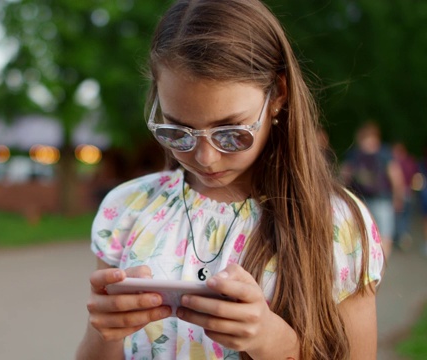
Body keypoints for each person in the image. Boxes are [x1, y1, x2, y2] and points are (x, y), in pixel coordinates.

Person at [75, 1, 384, 359]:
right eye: (178, 131)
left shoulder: (337, 223)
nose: (205, 158)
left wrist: (275, 342)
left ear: (278, 95)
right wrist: (107, 333)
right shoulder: (127, 209)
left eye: (231, 133)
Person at [341, 122, 404, 258]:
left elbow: (344, 175)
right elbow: (395, 176)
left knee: (360, 235)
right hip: (383, 200)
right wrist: (398, 197)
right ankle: (381, 267)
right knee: (385, 235)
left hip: (359, 200)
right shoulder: (384, 153)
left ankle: (365, 266)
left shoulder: (354, 153)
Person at [391, 142, 418, 250]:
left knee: (399, 217)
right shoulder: (411, 162)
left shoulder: (395, 164)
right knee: (406, 217)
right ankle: (404, 237)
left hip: (401, 193)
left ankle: (400, 238)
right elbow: (416, 177)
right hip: (409, 192)